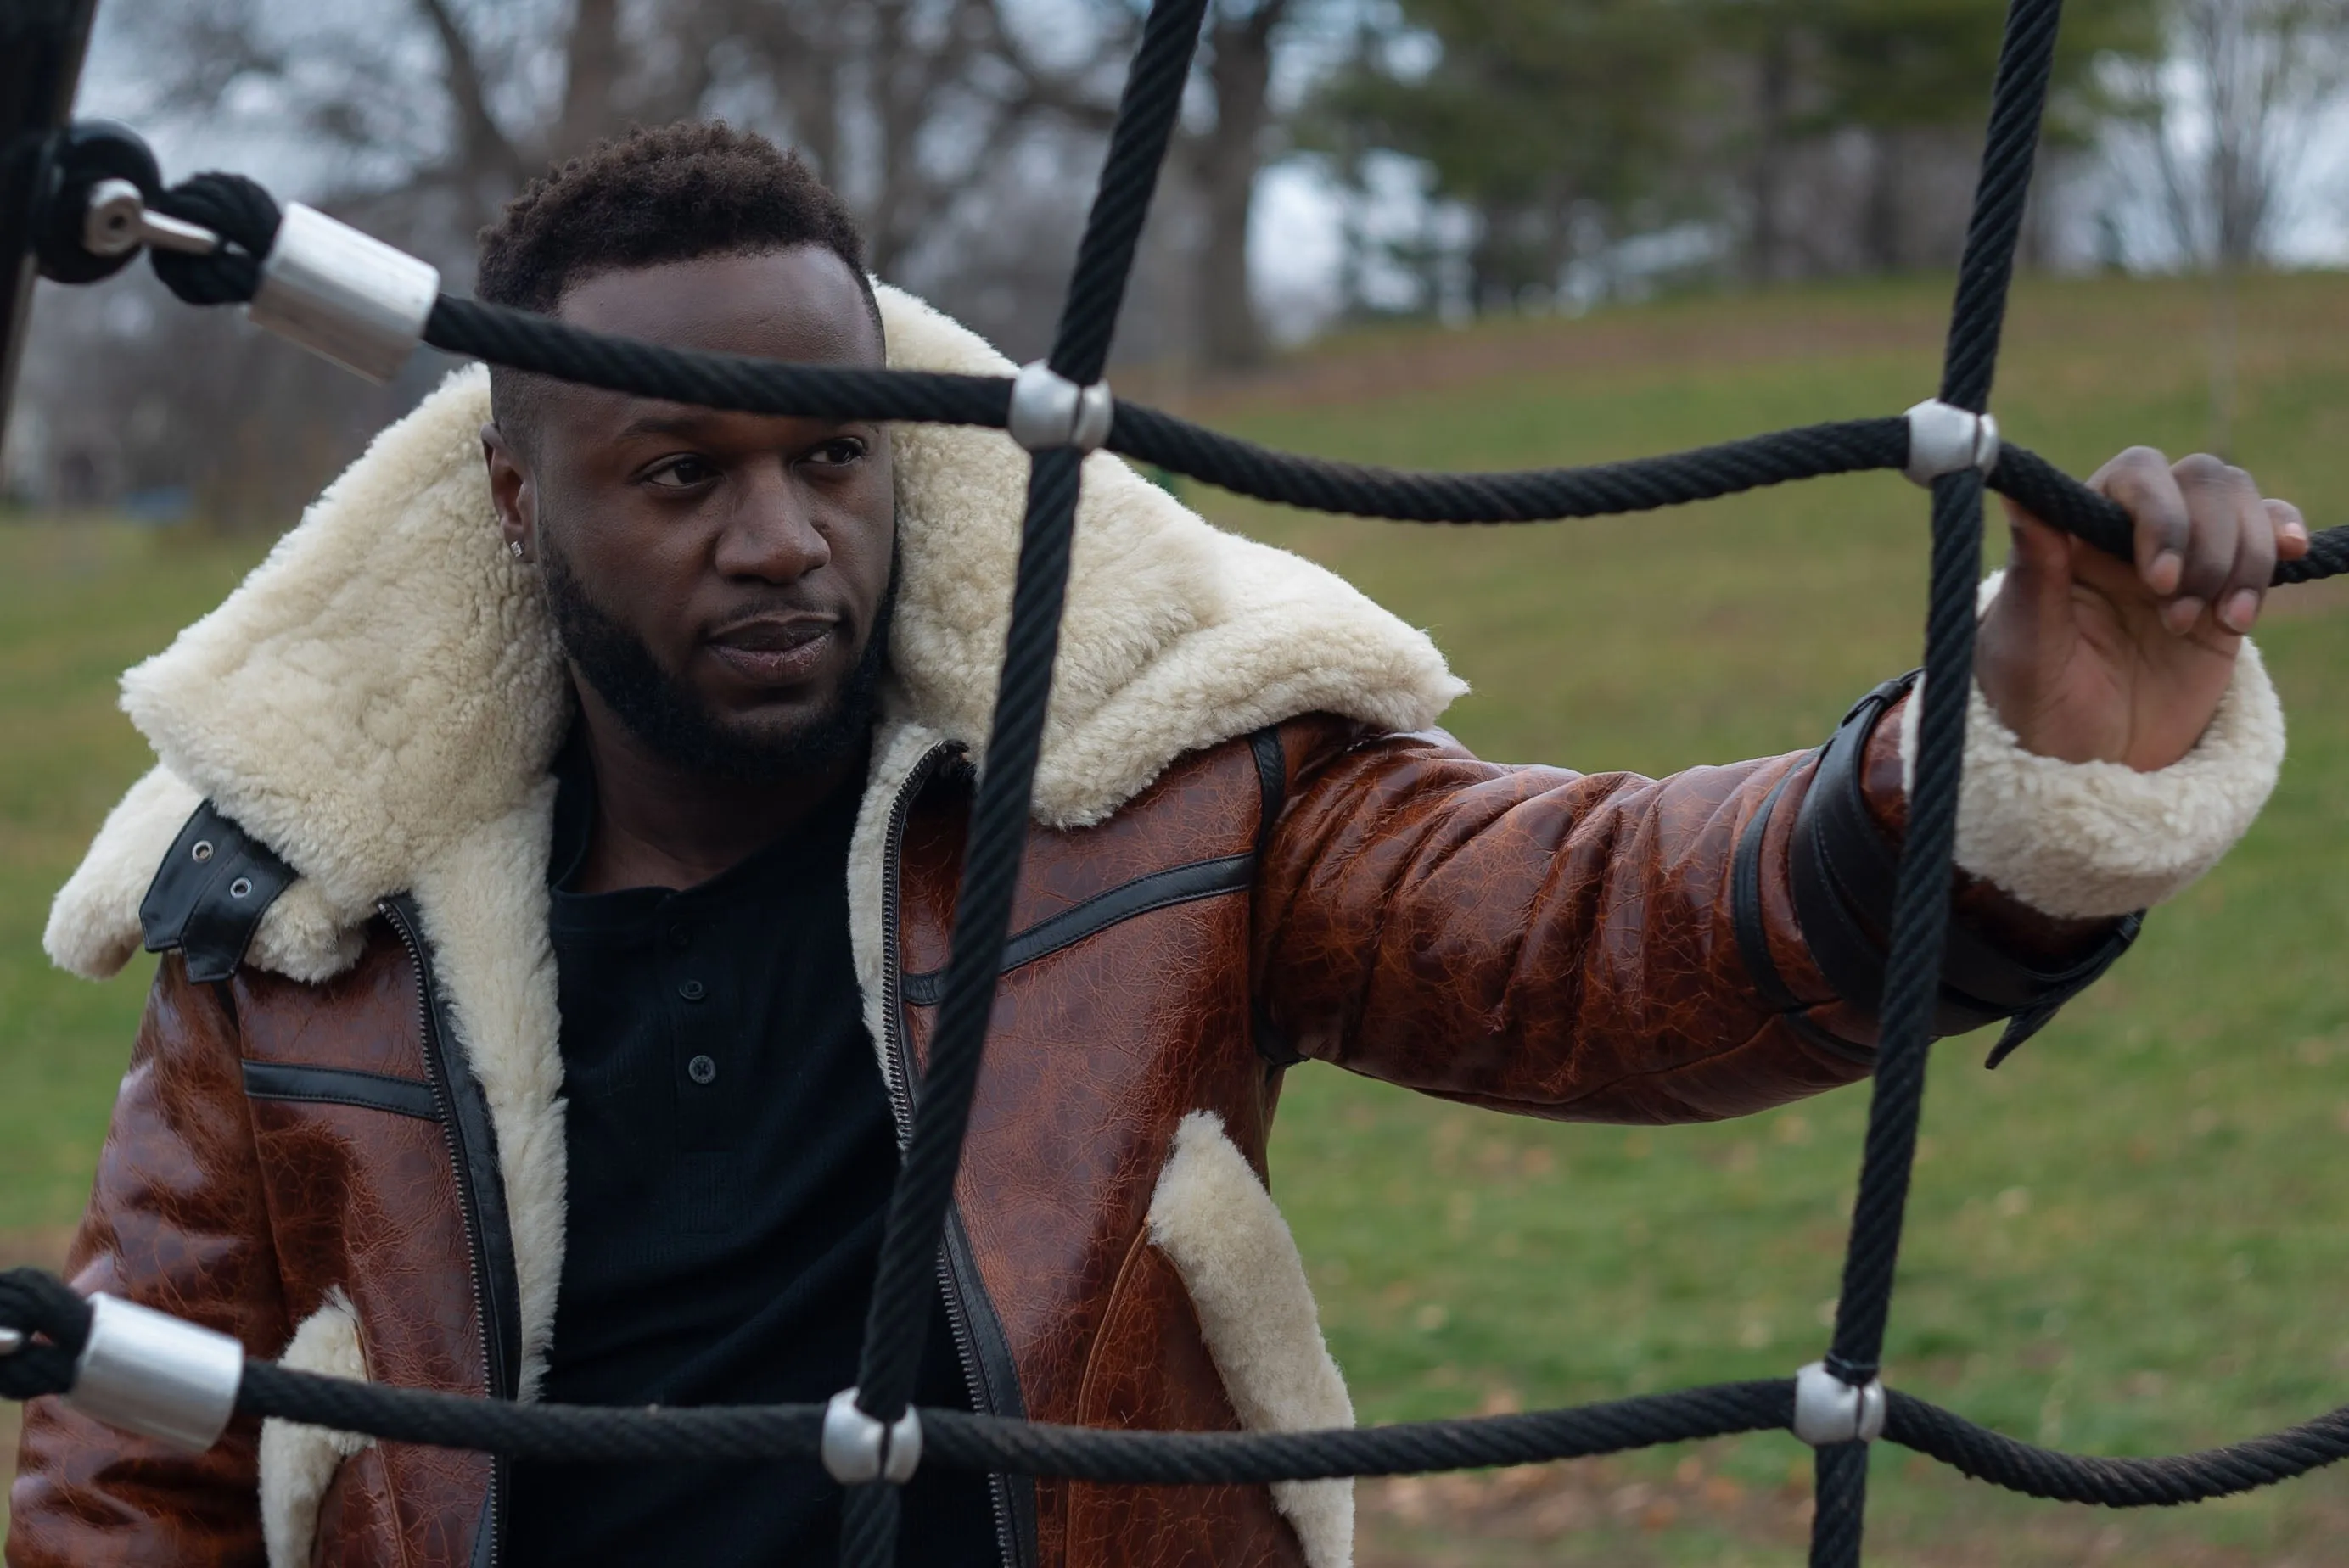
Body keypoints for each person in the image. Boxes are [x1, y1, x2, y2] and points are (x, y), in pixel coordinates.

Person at [7, 121, 2299, 1568]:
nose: (785, 537)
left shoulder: (1149, 787)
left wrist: (2003, 753)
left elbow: (1594, 932)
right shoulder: (306, 923)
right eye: (683, 477)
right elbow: (132, 1463)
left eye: (831, 457)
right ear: (526, 503)